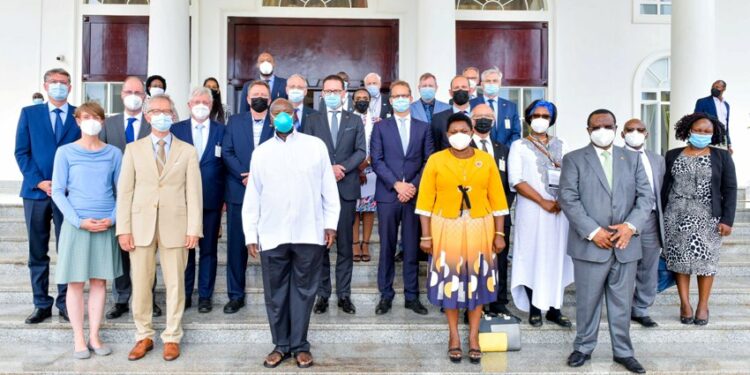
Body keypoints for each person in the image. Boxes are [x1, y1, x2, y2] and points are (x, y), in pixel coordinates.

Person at [243, 98, 340, 369]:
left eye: (287, 112)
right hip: (272, 234)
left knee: (304, 291)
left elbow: (328, 189)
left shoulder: (315, 146)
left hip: (308, 232)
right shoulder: (261, 152)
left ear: (295, 115)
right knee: (275, 293)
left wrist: (330, 224)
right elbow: (253, 196)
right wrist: (250, 234)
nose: (282, 116)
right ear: (271, 118)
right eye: (277, 113)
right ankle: (280, 345)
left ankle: (299, 345)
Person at [559, 109, 653, 374]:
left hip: (625, 244)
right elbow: (568, 198)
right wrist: (593, 231)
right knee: (587, 302)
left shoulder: (632, 159)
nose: (603, 130)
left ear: (616, 128)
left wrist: (629, 226)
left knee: (622, 303)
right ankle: (583, 348)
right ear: (588, 130)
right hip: (590, 245)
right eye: (596, 126)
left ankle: (623, 352)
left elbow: (646, 197)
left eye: (608, 125)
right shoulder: (574, 159)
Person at [416, 113, 508, 364]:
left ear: (471, 132)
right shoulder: (435, 160)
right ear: (447, 135)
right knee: (451, 281)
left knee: (477, 281)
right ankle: (454, 336)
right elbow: (424, 203)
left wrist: (499, 234)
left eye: (463, 131)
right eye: (454, 131)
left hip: (481, 226)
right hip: (446, 226)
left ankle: (475, 337)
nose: (459, 135)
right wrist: (425, 236)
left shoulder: (486, 160)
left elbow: (498, 201)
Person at [116, 94, 202, 361]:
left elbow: (194, 193)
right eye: (155, 111)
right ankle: (143, 335)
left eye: (166, 111)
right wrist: (124, 229)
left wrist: (193, 229)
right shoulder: (133, 149)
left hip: (176, 226)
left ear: (173, 116)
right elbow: (125, 191)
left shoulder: (187, 151)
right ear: (147, 115)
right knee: (141, 283)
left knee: (176, 284)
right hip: (140, 225)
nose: (161, 115)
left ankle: (172, 336)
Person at [51, 101, 123, 359]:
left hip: (104, 224)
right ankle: (78, 337)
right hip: (76, 224)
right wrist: (77, 220)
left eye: (96, 117)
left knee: (99, 282)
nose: (91, 121)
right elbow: (58, 191)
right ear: (78, 120)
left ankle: (94, 334)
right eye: (86, 117)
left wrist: (112, 219)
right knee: (75, 283)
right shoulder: (65, 152)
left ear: (102, 122)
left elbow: (122, 191)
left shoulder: (114, 153)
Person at [15, 68, 80, 324]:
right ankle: (41, 303)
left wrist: (67, 184)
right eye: (53, 82)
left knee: (67, 249)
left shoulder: (78, 116)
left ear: (70, 87)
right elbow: (22, 152)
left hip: (69, 195)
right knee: (37, 251)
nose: (58, 86)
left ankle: (65, 302)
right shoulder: (29, 114)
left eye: (63, 83)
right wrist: (39, 182)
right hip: (35, 193)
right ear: (44, 85)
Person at [662, 113, 736, 326]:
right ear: (688, 130)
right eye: (698, 130)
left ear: (713, 134)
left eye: (707, 131)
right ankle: (684, 303)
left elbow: (730, 189)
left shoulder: (721, 156)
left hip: (708, 216)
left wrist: (727, 220)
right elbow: (665, 185)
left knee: (706, 262)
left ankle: (703, 304)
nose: (702, 134)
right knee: (679, 260)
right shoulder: (672, 154)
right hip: (675, 215)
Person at [303, 74, 366, 315]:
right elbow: (307, 151)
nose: (331, 95)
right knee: (321, 246)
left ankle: (344, 294)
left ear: (343, 93)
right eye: (326, 91)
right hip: (318, 191)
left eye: (335, 91)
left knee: (345, 246)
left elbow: (361, 150)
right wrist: (327, 169)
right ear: (322, 95)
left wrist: (343, 168)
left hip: (346, 187)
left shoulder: (355, 120)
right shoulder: (312, 119)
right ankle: (323, 294)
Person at [507, 100, 573, 327]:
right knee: (532, 255)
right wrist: (542, 201)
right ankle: (535, 307)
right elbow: (516, 180)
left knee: (556, 257)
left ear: (552, 120)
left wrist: (561, 201)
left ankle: (555, 308)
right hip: (532, 211)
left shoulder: (563, 144)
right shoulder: (518, 146)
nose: (541, 119)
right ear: (528, 118)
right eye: (536, 115)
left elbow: (571, 176)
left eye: (546, 115)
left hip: (559, 212)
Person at [370, 80, 434, 316]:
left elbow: (429, 160)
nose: (400, 99)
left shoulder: (423, 127)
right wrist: (397, 185)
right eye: (395, 96)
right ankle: (385, 295)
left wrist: (412, 187)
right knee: (387, 246)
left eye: (404, 95)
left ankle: (412, 296)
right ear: (391, 100)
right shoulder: (381, 127)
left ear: (410, 97)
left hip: (414, 196)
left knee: (410, 246)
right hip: (389, 194)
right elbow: (376, 160)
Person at [100, 76, 160, 320]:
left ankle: (148, 298)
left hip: (148, 198)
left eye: (138, 91)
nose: (134, 95)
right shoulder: (108, 124)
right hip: (118, 197)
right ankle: (122, 298)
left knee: (148, 250)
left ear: (145, 96)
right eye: (129, 91)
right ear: (122, 95)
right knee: (121, 250)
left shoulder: (152, 123)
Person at [172, 87, 226, 313]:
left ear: (212, 105)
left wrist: (224, 199)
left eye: (205, 101)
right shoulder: (176, 130)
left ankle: (205, 295)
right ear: (189, 105)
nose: (201, 105)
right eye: (197, 101)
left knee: (209, 250)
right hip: (182, 202)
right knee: (185, 250)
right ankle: (184, 295)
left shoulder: (222, 130)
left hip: (212, 200)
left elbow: (226, 165)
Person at [222, 80, 274, 314]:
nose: (259, 98)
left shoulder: (278, 123)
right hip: (239, 191)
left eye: (264, 94)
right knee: (236, 247)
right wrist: (245, 174)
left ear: (270, 99)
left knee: (272, 247)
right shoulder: (234, 122)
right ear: (247, 99)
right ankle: (235, 295)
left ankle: (274, 294)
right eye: (255, 94)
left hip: (270, 195)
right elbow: (227, 151)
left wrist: (259, 177)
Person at [468, 104, 515, 318]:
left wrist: (499, 209)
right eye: (479, 117)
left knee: (500, 259)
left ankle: (498, 301)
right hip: (471, 216)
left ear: (494, 120)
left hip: (498, 215)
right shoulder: (462, 149)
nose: (484, 120)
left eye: (488, 116)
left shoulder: (503, 149)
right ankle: (470, 301)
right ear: (471, 119)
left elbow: (509, 185)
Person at [621, 118, 665, 328]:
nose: (635, 133)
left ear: (647, 134)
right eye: (630, 130)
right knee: (625, 266)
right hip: (624, 220)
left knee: (648, 266)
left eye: (640, 130)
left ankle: (641, 309)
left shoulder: (657, 159)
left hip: (651, 220)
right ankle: (621, 308)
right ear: (622, 134)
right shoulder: (615, 157)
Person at [351, 88, 376, 263]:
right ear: (353, 101)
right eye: (358, 98)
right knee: (353, 210)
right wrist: (356, 167)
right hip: (351, 170)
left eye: (365, 98)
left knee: (368, 210)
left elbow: (379, 144)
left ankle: (365, 243)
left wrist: (366, 164)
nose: (361, 100)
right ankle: (354, 244)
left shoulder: (377, 121)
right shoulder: (348, 119)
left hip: (372, 169)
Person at [469, 68, 521, 147]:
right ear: (482, 84)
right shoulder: (471, 104)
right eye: (488, 81)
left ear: (500, 84)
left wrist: (503, 150)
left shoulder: (511, 107)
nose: (491, 83)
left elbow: (516, 133)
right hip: (479, 151)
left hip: (505, 153)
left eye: (495, 81)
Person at [430, 75, 473, 151]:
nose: (460, 90)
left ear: (470, 91)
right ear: (450, 93)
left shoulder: (479, 115)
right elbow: (435, 149)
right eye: (456, 88)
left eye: (464, 87)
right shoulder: (438, 119)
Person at [694, 80, 731, 154]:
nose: (714, 88)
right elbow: (695, 120)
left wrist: (729, 143)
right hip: (707, 138)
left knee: (721, 162)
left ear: (723, 89)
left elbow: (726, 124)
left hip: (722, 139)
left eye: (717, 87)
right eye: (713, 87)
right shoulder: (702, 102)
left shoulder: (726, 105)